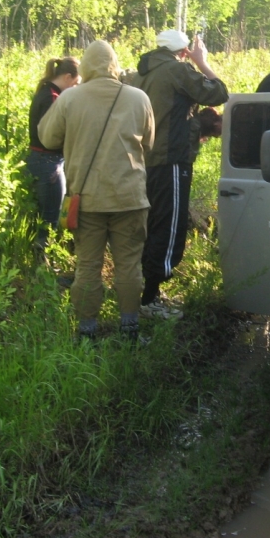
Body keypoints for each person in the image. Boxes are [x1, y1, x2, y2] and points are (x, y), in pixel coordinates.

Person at [37, 40, 154, 342]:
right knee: (129, 264)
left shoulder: (70, 98)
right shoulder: (139, 98)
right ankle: (130, 329)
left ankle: (86, 331)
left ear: (85, 67)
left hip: (86, 199)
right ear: (114, 65)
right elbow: (149, 143)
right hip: (129, 198)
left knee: (87, 266)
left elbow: (48, 138)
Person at [127, 29, 230, 319]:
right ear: (184, 51)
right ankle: (150, 300)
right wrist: (202, 62)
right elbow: (219, 93)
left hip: (146, 159)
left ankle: (145, 293)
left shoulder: (143, 72)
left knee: (150, 225)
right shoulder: (176, 70)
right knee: (169, 227)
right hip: (171, 160)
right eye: (189, 52)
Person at [26, 56, 80, 254]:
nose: (76, 88)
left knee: (46, 213)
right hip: (48, 161)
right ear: (67, 77)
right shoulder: (52, 98)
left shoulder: (46, 90)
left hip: (41, 159)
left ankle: (42, 259)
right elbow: (54, 132)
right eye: (76, 83)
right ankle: (42, 264)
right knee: (50, 216)